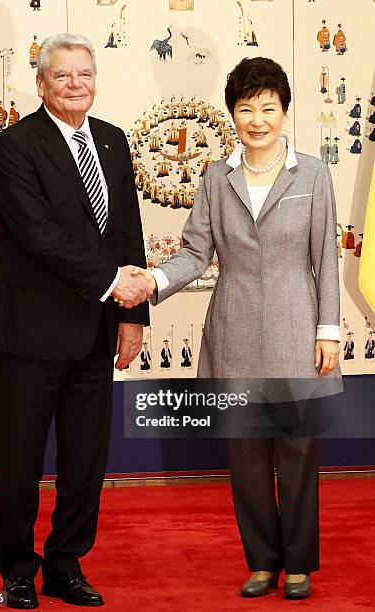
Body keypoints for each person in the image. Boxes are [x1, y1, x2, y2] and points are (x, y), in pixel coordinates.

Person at [131, 57, 342, 600]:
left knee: (296, 453)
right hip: (234, 328)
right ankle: (262, 562)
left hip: (298, 328)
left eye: (268, 108)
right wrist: (153, 279)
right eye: (246, 108)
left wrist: (328, 329)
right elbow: (197, 252)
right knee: (246, 457)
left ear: (285, 111)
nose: (257, 120)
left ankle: (299, 563)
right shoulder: (214, 177)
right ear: (233, 113)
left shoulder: (312, 173)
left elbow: (324, 258)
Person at [0, 33, 149, 609]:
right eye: (62, 75)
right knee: (20, 460)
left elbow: (127, 231)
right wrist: (111, 284)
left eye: (84, 73)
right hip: (27, 332)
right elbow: (37, 235)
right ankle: (16, 569)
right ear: (41, 83)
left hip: (96, 334)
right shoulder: (12, 146)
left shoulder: (112, 139)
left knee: (85, 463)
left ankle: (66, 564)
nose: (75, 84)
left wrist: (133, 313)